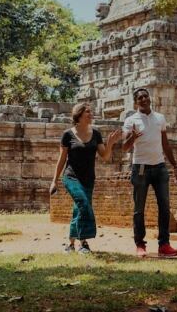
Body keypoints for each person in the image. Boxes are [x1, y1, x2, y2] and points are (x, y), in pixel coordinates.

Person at [49, 102, 122, 254]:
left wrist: (111, 144)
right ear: (79, 115)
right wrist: (54, 180)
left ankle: (70, 244)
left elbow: (105, 157)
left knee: (78, 210)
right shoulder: (67, 135)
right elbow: (62, 159)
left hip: (88, 179)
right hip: (71, 177)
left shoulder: (96, 133)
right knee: (83, 204)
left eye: (91, 111)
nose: (91, 114)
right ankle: (84, 242)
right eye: (87, 112)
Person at [123, 88, 177, 258]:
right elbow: (124, 147)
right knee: (139, 209)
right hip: (140, 168)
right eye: (140, 98)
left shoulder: (160, 118)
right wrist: (132, 137)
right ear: (136, 102)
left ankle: (164, 244)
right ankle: (140, 244)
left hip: (160, 167)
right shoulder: (130, 120)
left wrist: (175, 166)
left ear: (149, 99)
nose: (143, 99)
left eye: (145, 96)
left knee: (164, 207)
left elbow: (166, 145)